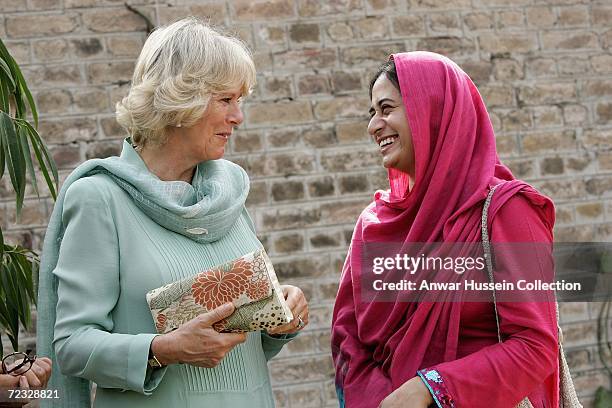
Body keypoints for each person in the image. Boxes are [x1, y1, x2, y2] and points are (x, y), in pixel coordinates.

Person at [36, 17, 308, 408]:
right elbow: (72, 346)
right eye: (226, 100)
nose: (238, 117)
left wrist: (280, 315)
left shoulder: (228, 193)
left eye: (240, 101)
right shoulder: (99, 198)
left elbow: (241, 341)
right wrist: (163, 349)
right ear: (182, 98)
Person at [331, 52, 559, 408]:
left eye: (386, 108)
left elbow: (535, 345)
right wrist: (381, 401)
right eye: (371, 113)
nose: (373, 125)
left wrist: (430, 389)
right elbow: (349, 339)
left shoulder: (505, 211)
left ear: (432, 112)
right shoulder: (373, 226)